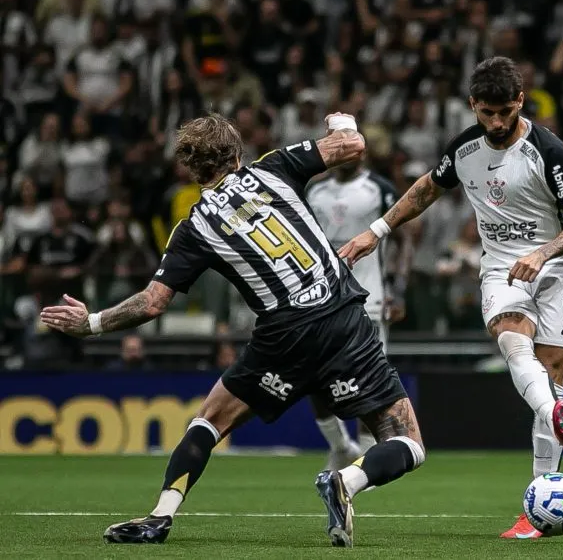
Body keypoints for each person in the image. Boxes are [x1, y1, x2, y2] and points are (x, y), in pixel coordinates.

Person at [40, 114, 424, 548]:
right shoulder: (274, 166)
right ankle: (348, 480)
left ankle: (160, 516)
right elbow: (352, 144)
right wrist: (342, 119)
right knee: (407, 442)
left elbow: (152, 303)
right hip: (343, 321)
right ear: (238, 153)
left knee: (209, 422)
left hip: (283, 338)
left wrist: (92, 323)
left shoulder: (194, 226)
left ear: (191, 169)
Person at [340, 57, 563, 539]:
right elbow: (425, 190)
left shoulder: (548, 150)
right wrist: (376, 231)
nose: (497, 123)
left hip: (557, 268)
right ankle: (555, 415)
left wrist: (543, 252)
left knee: (550, 377)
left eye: (505, 112)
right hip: (501, 268)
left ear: (520, 101)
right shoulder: (464, 148)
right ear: (473, 105)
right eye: (487, 113)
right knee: (512, 340)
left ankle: (536, 508)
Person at [306, 154, 410, 465]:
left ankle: (366, 458)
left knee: (370, 378)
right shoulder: (314, 191)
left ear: (361, 152)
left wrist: (398, 289)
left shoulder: (379, 189)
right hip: (322, 299)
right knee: (313, 376)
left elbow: (404, 239)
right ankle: (340, 447)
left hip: (370, 298)